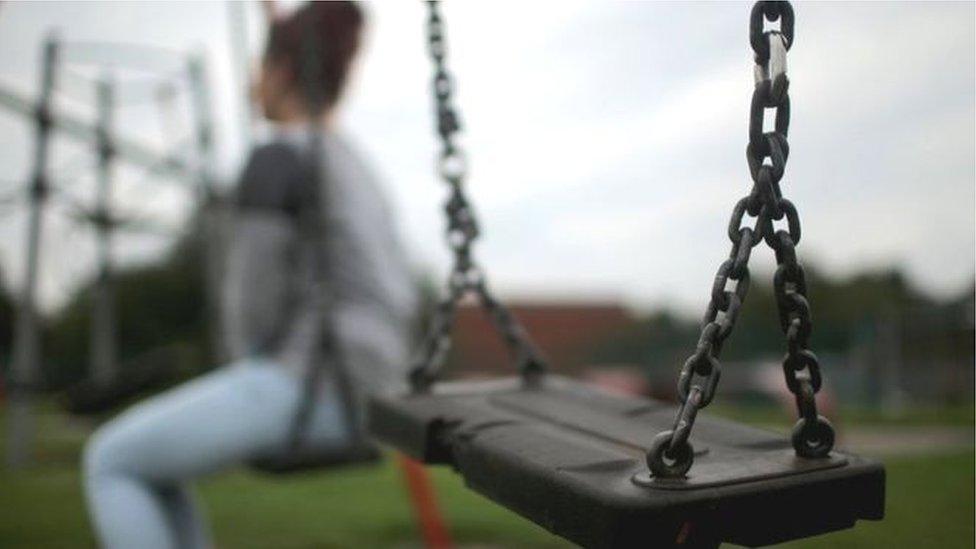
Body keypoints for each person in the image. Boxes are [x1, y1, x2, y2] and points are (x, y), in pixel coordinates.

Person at [83, 4, 418, 548]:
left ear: (281, 72)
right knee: (156, 468)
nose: (250, 82)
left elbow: (252, 300)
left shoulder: (277, 159)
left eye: (258, 67)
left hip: (312, 382)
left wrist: (246, 365)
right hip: (379, 389)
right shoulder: (355, 164)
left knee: (111, 459)